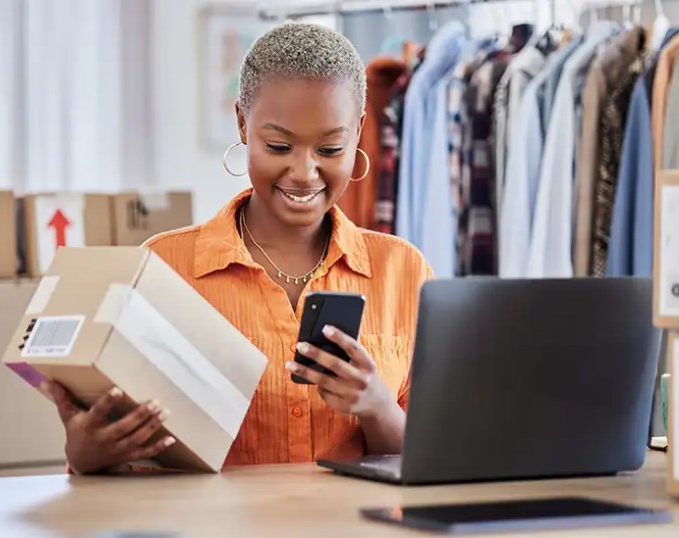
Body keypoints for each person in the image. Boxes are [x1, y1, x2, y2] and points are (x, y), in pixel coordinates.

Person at [43, 22, 434, 475]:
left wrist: (378, 407)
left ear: (359, 131)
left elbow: (435, 462)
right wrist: (86, 455)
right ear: (243, 124)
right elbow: (124, 464)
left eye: (330, 148)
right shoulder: (163, 269)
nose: (305, 172)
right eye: (279, 145)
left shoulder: (403, 270)